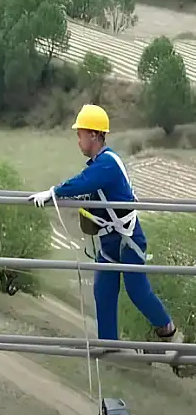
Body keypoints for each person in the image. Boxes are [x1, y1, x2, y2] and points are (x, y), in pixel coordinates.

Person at [28, 104, 183, 348]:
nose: (77, 140)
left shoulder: (107, 163)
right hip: (110, 242)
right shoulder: (99, 164)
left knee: (137, 290)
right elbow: (89, 188)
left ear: (93, 135)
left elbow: (84, 183)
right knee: (103, 291)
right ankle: (110, 348)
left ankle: (169, 331)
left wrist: (53, 192)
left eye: (80, 134)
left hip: (127, 240)